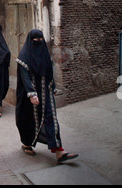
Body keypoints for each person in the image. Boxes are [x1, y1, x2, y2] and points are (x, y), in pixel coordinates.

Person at [15, 29, 78, 163]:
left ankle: (59, 151)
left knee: (51, 119)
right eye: (35, 40)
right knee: (29, 121)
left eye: (40, 40)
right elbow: (25, 77)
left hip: (46, 93)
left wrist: (53, 86)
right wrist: (31, 93)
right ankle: (27, 143)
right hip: (30, 98)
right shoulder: (23, 56)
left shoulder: (44, 53)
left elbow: (49, 71)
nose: (38, 43)